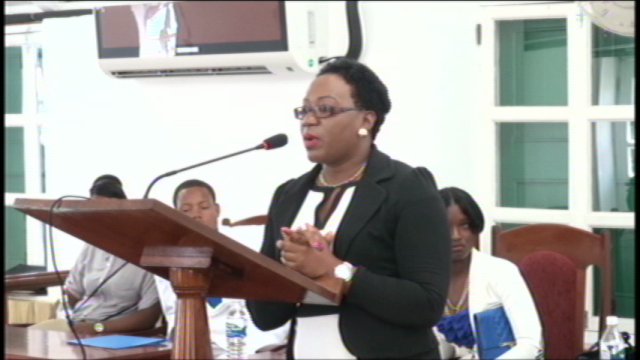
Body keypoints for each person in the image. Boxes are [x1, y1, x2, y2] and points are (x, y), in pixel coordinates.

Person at [246, 57, 451, 359]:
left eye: (325, 109)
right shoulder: (289, 195)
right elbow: (265, 317)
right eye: (305, 110)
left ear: (367, 120)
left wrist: (335, 270)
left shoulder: (407, 188)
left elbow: (427, 304)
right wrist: (289, 268)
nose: (309, 120)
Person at [154, 179, 289, 359]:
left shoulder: (243, 246)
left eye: (203, 207)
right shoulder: (166, 256)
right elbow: (173, 312)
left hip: (252, 331)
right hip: (202, 334)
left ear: (217, 210)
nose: (196, 215)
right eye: (186, 210)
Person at [30, 175, 162, 335]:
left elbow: (148, 316)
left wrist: (97, 328)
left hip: (112, 334)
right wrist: (75, 319)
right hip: (74, 325)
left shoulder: (146, 251)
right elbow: (72, 292)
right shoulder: (92, 245)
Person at [435, 187, 543, 359]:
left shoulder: (501, 272)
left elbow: (530, 344)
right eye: (445, 227)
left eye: (465, 225)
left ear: (476, 228)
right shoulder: (425, 276)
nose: (456, 236)